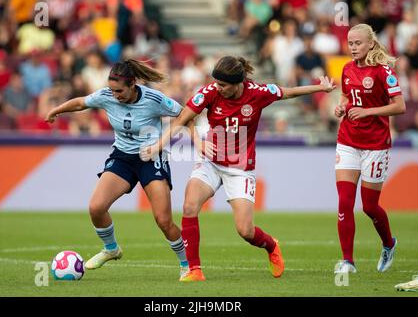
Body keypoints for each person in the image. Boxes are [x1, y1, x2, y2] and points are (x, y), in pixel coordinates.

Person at [141, 55, 336, 281]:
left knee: (246, 231)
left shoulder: (258, 93)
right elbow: (182, 119)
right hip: (211, 162)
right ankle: (195, 270)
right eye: (217, 83)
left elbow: (288, 91)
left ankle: (272, 245)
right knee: (189, 206)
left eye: (223, 85)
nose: (218, 88)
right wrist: (181, 143)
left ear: (238, 83)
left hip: (240, 169)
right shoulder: (210, 91)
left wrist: (321, 88)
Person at [45, 59, 189, 279]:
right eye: (112, 90)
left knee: (163, 220)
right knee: (96, 207)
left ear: (133, 85)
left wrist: (162, 142)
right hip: (122, 157)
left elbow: (186, 114)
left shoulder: (153, 99)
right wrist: (57, 110)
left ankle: (187, 265)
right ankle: (111, 249)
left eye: (119, 91)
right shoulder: (106, 95)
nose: (115, 95)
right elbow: (81, 102)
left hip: (151, 158)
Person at [333, 24, 406, 274]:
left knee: (369, 207)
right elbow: (346, 96)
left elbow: (400, 106)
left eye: (358, 43)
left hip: (375, 144)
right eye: (350, 43)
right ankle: (347, 262)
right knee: (344, 201)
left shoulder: (383, 72)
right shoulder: (347, 68)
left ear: (370, 44)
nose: (353, 47)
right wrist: (341, 107)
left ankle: (388, 243)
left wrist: (368, 112)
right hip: (348, 140)